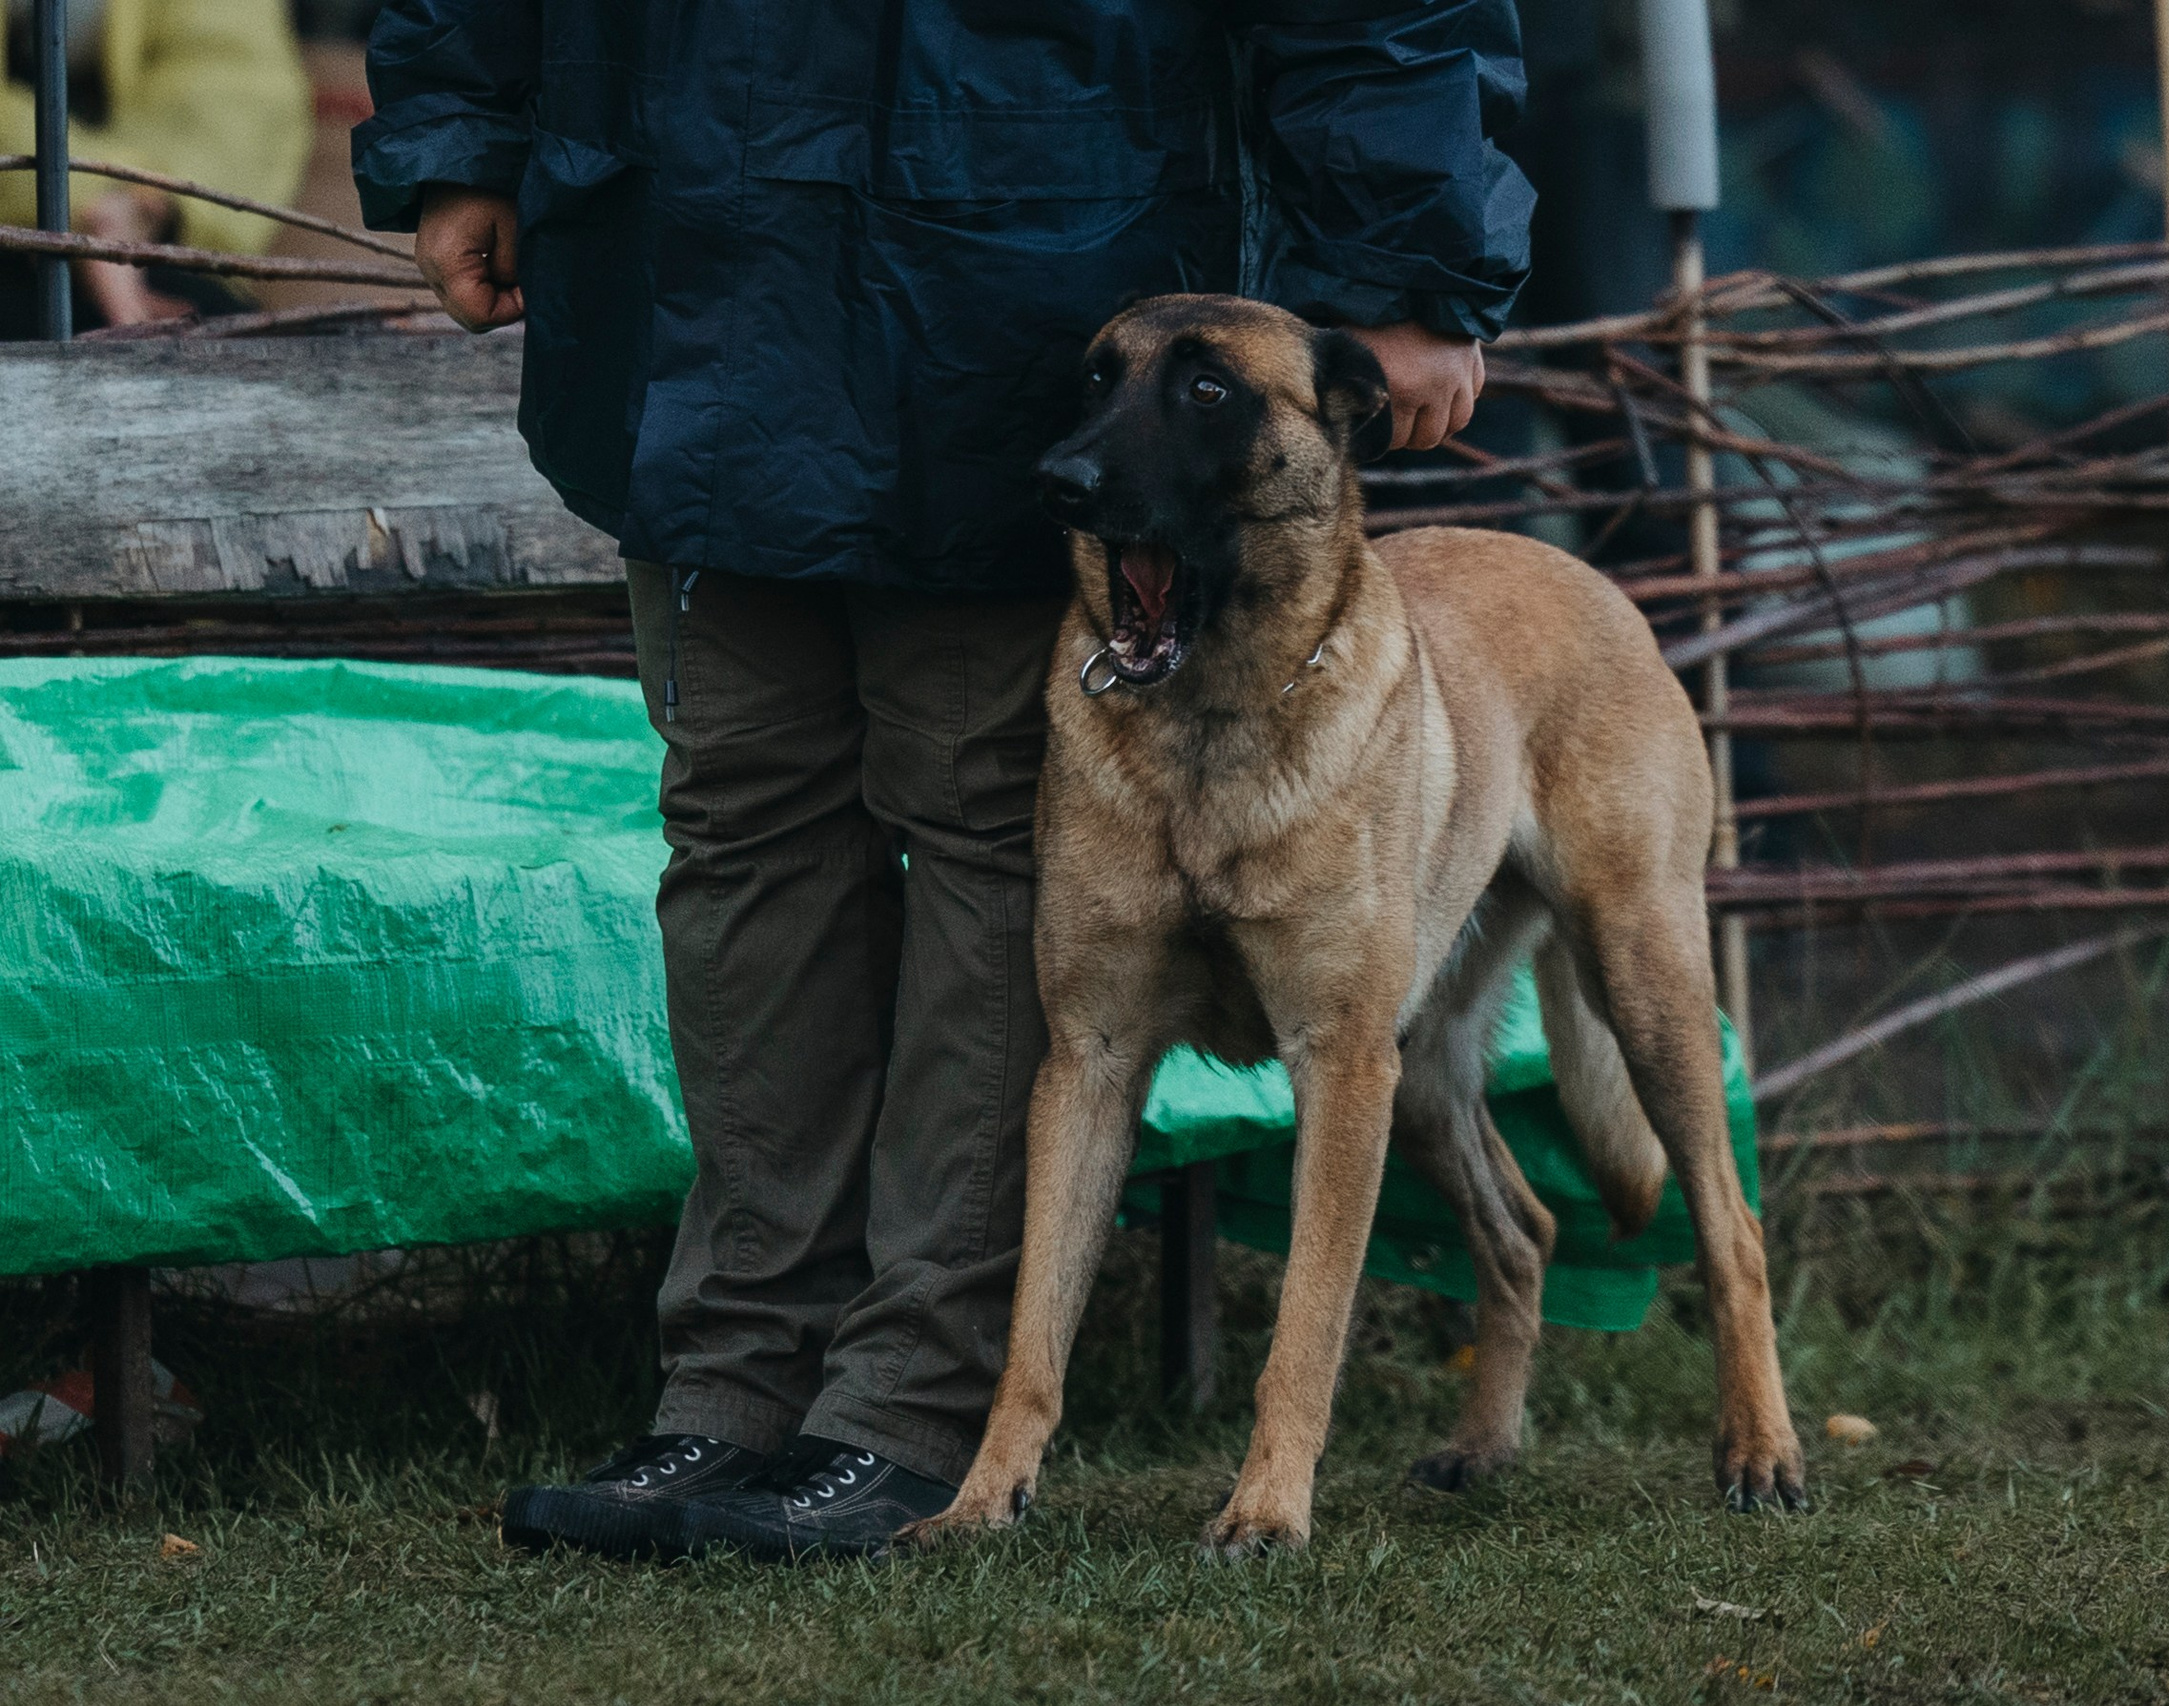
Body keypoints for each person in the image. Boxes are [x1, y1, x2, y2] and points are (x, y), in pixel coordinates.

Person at [354, 0, 1532, 1565]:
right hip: (689, 249)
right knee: (744, 831)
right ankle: (734, 1387)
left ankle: (905, 1410)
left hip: (1032, 252)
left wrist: (1406, 253)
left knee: (986, 840)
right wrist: (462, 137)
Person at [1, 0, 309, 334]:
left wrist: (137, 201)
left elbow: (235, 83)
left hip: (144, 233)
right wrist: (84, 193)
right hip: (19, 219)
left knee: (229, 335)